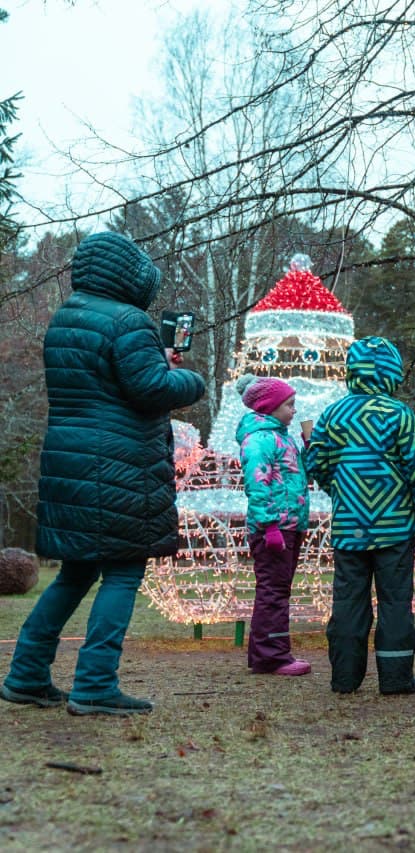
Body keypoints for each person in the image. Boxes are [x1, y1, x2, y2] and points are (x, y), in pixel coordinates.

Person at [1, 232, 206, 716]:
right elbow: (152, 388)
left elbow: (111, 384)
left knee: (75, 572)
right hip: (119, 464)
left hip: (71, 462)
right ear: (126, 274)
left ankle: (26, 674)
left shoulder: (67, 316)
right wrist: (189, 379)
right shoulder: (129, 320)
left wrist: (155, 361)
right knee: (123, 570)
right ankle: (94, 685)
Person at [304, 336, 415, 694]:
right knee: (395, 603)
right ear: (392, 373)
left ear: (351, 371)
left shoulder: (333, 414)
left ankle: (344, 678)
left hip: (349, 527)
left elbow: (315, 461)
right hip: (395, 529)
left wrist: (342, 490)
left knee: (348, 601)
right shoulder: (401, 415)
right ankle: (396, 679)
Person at [236, 374, 312, 677]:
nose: (294, 410)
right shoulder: (260, 440)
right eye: (289, 405)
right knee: (273, 591)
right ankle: (273, 657)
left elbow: (295, 477)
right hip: (275, 528)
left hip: (289, 525)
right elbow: (258, 485)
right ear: (270, 406)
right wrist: (269, 527)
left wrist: (309, 447)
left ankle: (269, 653)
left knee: (278, 590)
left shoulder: (283, 437)